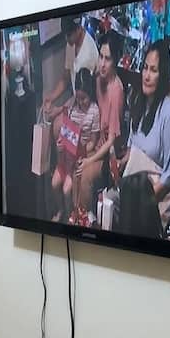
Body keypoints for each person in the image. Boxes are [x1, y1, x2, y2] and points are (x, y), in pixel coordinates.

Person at [115, 39, 170, 235]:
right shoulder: (137, 99)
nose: (147, 75)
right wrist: (119, 165)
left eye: (154, 70)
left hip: (155, 197)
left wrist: (146, 201)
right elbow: (131, 149)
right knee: (107, 201)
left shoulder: (168, 110)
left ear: (163, 75)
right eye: (145, 68)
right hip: (131, 189)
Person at [74, 32, 125, 212]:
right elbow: (81, 99)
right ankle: (75, 214)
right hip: (94, 141)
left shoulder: (116, 90)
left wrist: (90, 160)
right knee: (75, 162)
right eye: (101, 57)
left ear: (115, 60)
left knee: (85, 174)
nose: (102, 63)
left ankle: (85, 218)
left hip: (108, 153)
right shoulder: (97, 78)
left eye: (108, 59)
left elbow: (111, 141)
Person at [50, 68, 100, 223]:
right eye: (78, 98)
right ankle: (60, 210)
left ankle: (69, 216)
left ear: (89, 94)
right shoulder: (73, 107)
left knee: (67, 189)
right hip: (66, 155)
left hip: (80, 153)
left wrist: (82, 149)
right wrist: (60, 143)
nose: (80, 102)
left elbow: (93, 141)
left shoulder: (94, 111)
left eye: (83, 98)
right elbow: (66, 130)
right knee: (54, 183)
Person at [42, 16, 98, 139]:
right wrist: (51, 97)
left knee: (59, 127)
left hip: (85, 106)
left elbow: (83, 96)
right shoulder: (71, 43)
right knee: (55, 125)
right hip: (75, 101)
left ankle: (73, 149)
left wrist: (59, 110)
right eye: (65, 36)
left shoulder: (88, 55)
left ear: (78, 29)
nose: (67, 39)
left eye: (69, 35)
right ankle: (64, 150)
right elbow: (66, 77)